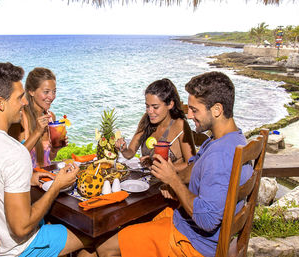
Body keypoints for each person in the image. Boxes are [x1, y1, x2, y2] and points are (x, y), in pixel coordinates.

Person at [96, 71, 253, 257]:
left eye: (195, 110)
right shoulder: (230, 140)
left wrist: (174, 181)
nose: (189, 115)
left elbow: (207, 219)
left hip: (193, 242)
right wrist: (172, 176)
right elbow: (192, 168)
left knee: (103, 247)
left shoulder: (219, 154)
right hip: (187, 223)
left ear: (217, 109)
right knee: (125, 228)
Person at [0, 62, 89, 256]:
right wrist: (57, 186)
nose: (24, 102)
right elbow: (21, 228)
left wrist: (29, 178)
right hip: (16, 249)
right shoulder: (14, 152)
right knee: (90, 235)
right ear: (1, 103)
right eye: (20, 97)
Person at [115, 78, 195, 170]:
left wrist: (165, 167)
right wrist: (124, 149)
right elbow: (130, 153)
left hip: (171, 182)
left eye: (155, 107)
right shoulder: (146, 120)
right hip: (147, 181)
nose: (150, 111)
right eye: (147, 106)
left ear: (170, 104)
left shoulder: (180, 125)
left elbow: (192, 165)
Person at [18, 67, 67, 168]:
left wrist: (55, 148)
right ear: (31, 91)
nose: (51, 96)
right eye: (46, 92)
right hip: (28, 180)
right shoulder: (21, 117)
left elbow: (49, 158)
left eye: (54, 91)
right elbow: (17, 157)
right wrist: (37, 131)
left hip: (46, 177)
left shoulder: (51, 117)